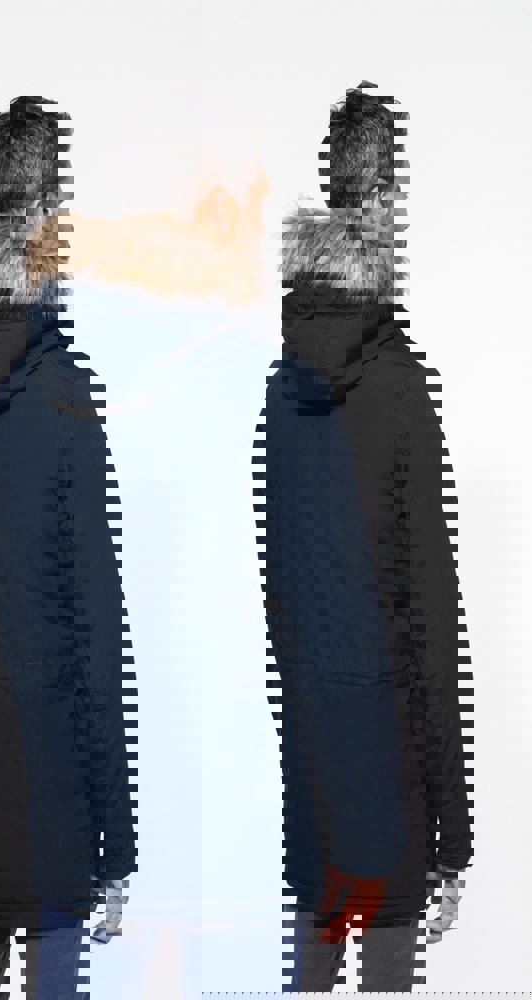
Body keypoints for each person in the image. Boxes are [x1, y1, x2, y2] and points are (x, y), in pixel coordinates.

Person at [255, 82, 474, 992]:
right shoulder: (400, 386)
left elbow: (279, 596)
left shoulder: (280, 388)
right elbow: (432, 619)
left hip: (311, 776)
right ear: (384, 201)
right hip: (391, 781)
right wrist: (454, 837)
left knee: (311, 971)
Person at [0, 95, 136, 998]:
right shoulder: (64, 397)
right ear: (53, 218)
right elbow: (97, 634)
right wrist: (117, 847)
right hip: (55, 796)